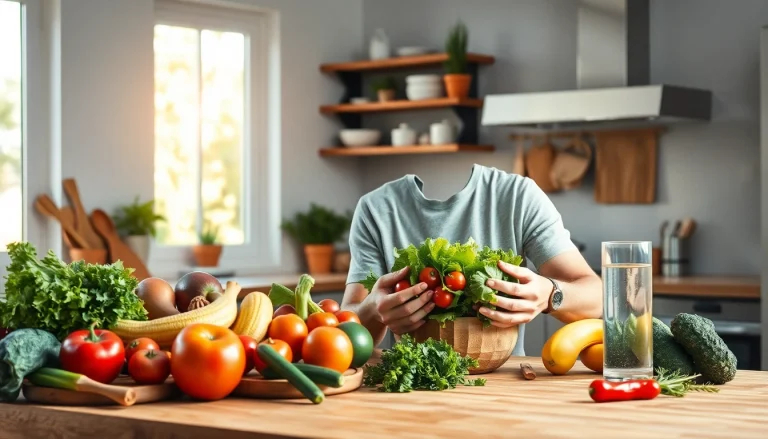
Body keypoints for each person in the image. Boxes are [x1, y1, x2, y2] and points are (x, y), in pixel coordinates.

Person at [340, 164, 602, 354]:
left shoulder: (518, 196)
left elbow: (596, 297)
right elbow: (346, 324)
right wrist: (373, 310)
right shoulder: (375, 209)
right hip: (414, 383)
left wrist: (550, 294)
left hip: (505, 385)